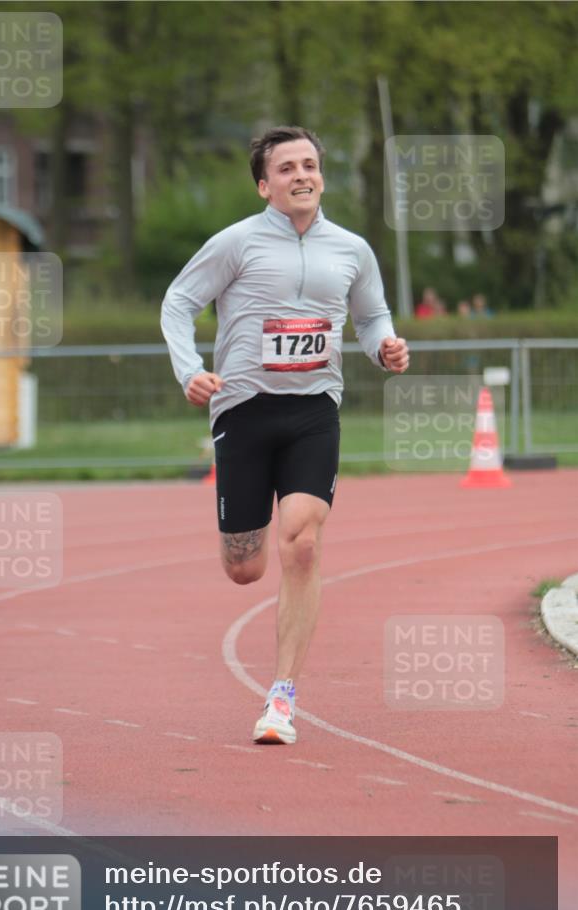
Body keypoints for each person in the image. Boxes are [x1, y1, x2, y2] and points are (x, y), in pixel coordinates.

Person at [161, 125, 409, 745]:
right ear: (264, 184)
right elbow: (177, 301)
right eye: (288, 168)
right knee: (244, 568)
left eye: (310, 165)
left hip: (313, 410)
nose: (302, 175)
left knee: (301, 542)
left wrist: (384, 346)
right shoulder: (235, 244)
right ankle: (246, 536)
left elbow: (371, 312)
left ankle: (282, 697)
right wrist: (191, 371)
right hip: (243, 411)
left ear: (322, 175)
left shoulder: (351, 248)